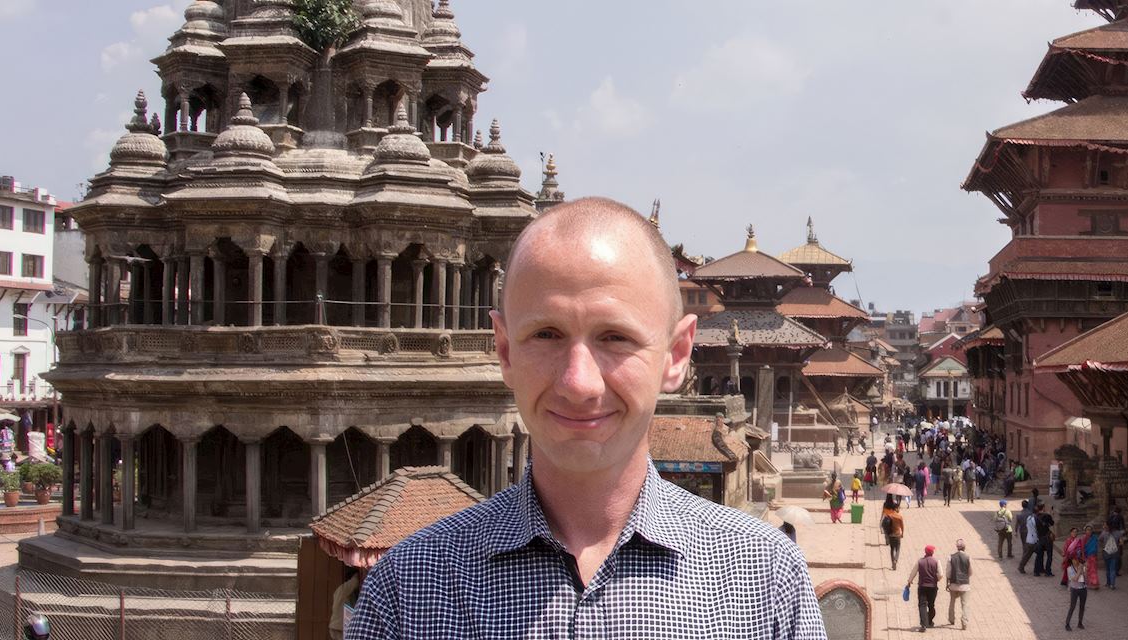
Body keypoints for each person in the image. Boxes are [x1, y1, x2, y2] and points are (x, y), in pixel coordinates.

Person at [344, 199, 820, 638]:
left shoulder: (765, 579)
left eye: (614, 337)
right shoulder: (409, 589)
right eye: (546, 334)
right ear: (504, 349)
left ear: (676, 355)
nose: (578, 382)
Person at [905, 545, 942, 631]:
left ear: (925, 552)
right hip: (933, 587)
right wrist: (936, 579)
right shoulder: (936, 561)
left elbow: (913, 572)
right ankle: (930, 620)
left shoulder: (920, 562)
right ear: (932, 552)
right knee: (931, 605)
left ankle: (923, 624)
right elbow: (941, 575)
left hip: (922, 587)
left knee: (922, 605)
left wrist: (909, 581)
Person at [944, 540, 973, 629]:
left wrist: (948, 581)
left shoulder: (951, 557)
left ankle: (951, 619)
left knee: (952, 602)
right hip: (964, 585)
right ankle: (964, 622)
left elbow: (948, 572)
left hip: (953, 584)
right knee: (965, 604)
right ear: (964, 547)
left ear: (957, 547)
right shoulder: (968, 557)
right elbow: (970, 572)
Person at [1065, 557, 1089, 632]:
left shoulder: (1082, 567)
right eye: (1074, 559)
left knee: (1082, 606)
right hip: (1074, 589)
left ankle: (1080, 622)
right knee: (1072, 606)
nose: (1075, 561)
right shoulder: (1069, 569)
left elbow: (1086, 578)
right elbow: (1075, 579)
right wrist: (1079, 571)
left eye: (1077, 559)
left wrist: (1085, 569)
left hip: (1083, 588)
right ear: (1071, 560)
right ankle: (1067, 623)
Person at [882, 494, 906, 569]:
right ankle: (896, 560)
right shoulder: (899, 517)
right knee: (898, 548)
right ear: (896, 508)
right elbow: (902, 526)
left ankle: (892, 562)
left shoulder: (889, 515)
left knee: (892, 549)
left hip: (890, 534)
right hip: (897, 534)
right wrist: (902, 534)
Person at [1101, 521, 1123, 590]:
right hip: (1115, 553)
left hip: (1106, 553)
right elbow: (1121, 543)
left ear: (1108, 526)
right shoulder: (1118, 533)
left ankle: (1108, 583)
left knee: (1107, 569)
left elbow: (1100, 539)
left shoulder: (1104, 533)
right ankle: (1112, 584)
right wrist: (1116, 545)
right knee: (1113, 569)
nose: (1104, 526)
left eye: (1105, 525)